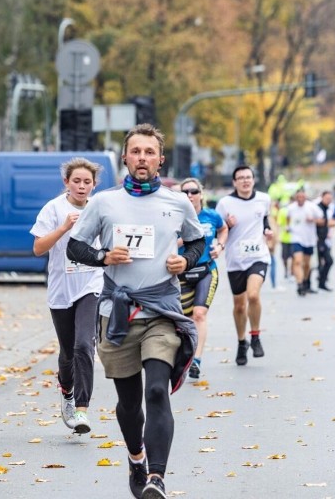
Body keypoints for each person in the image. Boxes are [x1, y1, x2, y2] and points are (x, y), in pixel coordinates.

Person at [66, 123, 204, 499]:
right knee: (129, 404)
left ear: (160, 160)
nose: (142, 158)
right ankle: (136, 457)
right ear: (125, 157)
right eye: (136, 151)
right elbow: (74, 248)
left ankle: (157, 478)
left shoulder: (177, 203)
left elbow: (197, 243)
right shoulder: (104, 203)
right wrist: (103, 256)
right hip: (117, 313)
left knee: (157, 391)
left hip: (162, 309)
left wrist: (183, 262)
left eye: (149, 152)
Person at [30, 157, 104, 435]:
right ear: (66, 183)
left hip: (90, 284)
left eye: (87, 182)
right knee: (68, 351)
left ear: (94, 185)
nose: (82, 186)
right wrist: (63, 227)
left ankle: (82, 409)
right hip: (61, 288)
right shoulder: (54, 208)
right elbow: (38, 248)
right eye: (77, 181)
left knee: (85, 345)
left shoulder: (98, 208)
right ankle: (67, 390)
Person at [215, 165, 273, 366]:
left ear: (253, 180)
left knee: (253, 295)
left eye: (248, 177)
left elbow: (265, 219)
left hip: (258, 256)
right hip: (235, 259)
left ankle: (255, 336)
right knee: (239, 306)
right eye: (241, 178)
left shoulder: (264, 199)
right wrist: (227, 225)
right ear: (234, 182)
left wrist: (268, 231)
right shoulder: (224, 204)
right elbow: (218, 230)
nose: (245, 181)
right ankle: (242, 342)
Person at [177, 177, 227, 379]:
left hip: (206, 270)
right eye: (185, 192)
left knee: (199, 314)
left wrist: (220, 245)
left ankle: (196, 360)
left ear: (201, 194)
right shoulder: (173, 217)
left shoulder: (211, 216)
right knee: (183, 320)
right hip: (180, 272)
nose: (190, 195)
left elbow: (223, 228)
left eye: (194, 191)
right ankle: (185, 355)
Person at [286, 188, 324, 297]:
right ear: (295, 198)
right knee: (297, 261)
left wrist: (313, 220)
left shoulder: (312, 207)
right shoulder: (291, 208)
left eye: (302, 197)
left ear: (305, 197)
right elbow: (288, 217)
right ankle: (299, 284)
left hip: (309, 239)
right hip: (296, 238)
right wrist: (288, 226)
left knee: (307, 264)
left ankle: (305, 280)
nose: (300, 199)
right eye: (298, 197)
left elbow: (322, 220)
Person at [314, 191, 335, 292]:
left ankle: (321, 282)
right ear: (322, 197)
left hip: (325, 239)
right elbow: (316, 221)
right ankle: (307, 284)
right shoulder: (317, 208)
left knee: (327, 261)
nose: (328, 201)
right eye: (327, 199)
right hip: (317, 239)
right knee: (323, 261)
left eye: (330, 199)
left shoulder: (328, 208)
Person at [276, 197, 293, 283]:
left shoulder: (291, 210)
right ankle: (288, 271)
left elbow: (278, 225)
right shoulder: (283, 211)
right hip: (285, 238)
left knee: (289, 257)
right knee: (286, 257)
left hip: (292, 238)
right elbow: (279, 224)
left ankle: (289, 271)